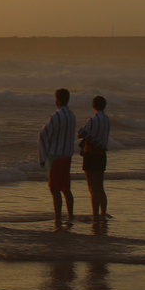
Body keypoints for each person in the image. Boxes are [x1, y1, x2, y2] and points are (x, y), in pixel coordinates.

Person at [38, 88, 77, 227]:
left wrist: (43, 155)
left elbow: (43, 133)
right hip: (67, 155)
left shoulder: (56, 116)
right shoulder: (72, 116)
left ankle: (58, 217)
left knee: (54, 189)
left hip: (56, 155)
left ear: (58, 100)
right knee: (66, 188)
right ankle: (71, 215)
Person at [78, 94, 111, 221]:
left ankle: (95, 214)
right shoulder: (107, 119)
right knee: (100, 186)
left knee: (92, 187)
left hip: (91, 154)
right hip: (102, 154)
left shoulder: (92, 120)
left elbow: (81, 133)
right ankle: (103, 212)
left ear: (93, 106)